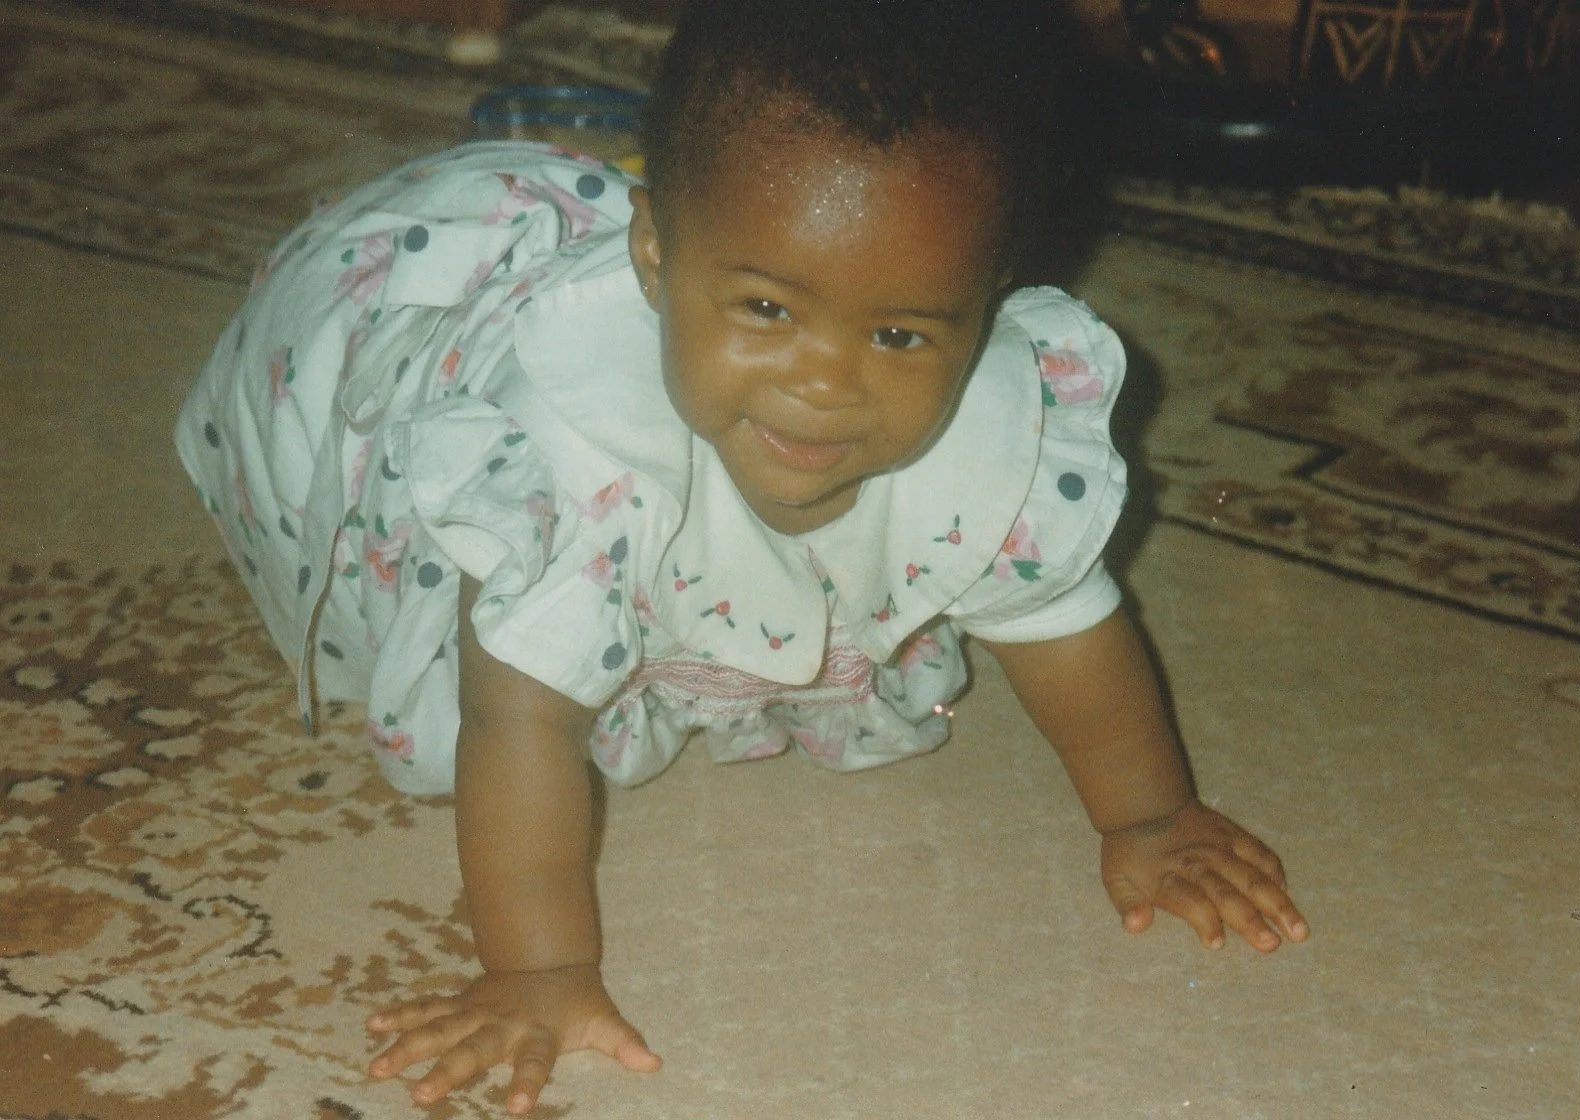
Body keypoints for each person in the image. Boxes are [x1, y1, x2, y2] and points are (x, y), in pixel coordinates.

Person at [174, 0, 1308, 1112]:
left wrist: (1150, 817)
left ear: (986, 307)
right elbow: (519, 721)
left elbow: (1070, 635)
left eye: (902, 334)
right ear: (657, 258)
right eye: (766, 307)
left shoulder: (986, 428)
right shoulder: (571, 453)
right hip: (404, 414)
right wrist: (540, 969)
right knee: (521, 657)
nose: (823, 384)